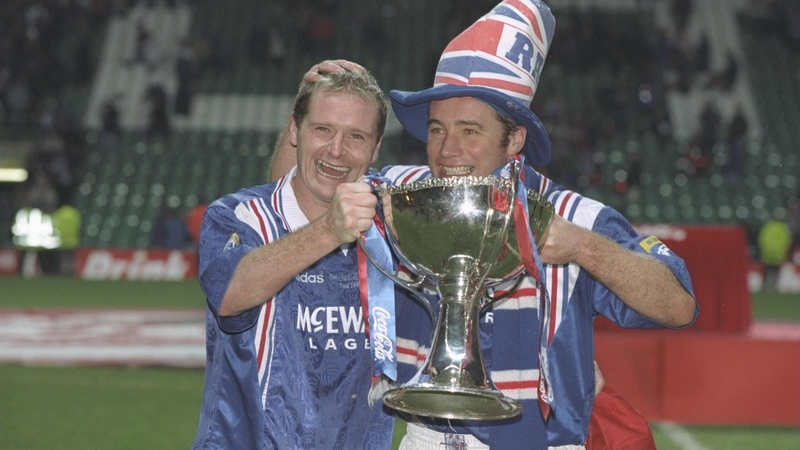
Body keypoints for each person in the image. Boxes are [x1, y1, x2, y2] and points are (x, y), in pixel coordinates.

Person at [270, 2, 697, 449]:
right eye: (437, 129)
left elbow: (678, 305)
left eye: (470, 131)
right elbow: (290, 204)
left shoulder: (572, 217)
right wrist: (305, 113)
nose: (447, 150)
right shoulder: (402, 196)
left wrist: (582, 248)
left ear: (515, 139)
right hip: (426, 439)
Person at [192, 68, 395, 449]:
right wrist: (329, 230)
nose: (337, 149)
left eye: (356, 136)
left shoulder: (393, 224)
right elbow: (231, 293)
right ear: (294, 130)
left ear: (376, 148)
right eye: (322, 129)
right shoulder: (239, 217)